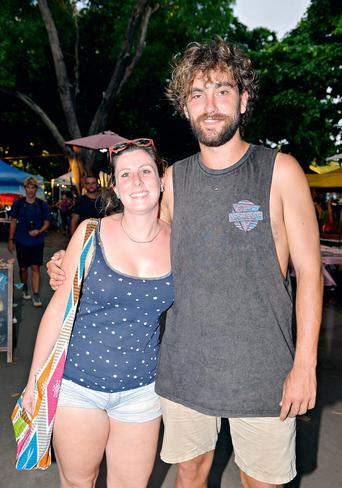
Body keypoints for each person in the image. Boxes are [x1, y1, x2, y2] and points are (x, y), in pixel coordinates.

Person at [48, 39, 323, 488]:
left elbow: (310, 274)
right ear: (185, 107)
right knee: (189, 476)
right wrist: (71, 257)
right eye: (197, 94)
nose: (210, 105)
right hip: (184, 370)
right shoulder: (173, 179)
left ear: (244, 99)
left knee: (262, 482)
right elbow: (133, 233)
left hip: (263, 370)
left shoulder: (281, 171)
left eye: (222, 90)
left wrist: (305, 365)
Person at [22, 139, 173, 487]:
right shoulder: (91, 233)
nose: (137, 181)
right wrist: (34, 383)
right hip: (79, 387)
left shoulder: (180, 244)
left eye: (145, 171)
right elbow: (58, 307)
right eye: (126, 174)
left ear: (161, 181)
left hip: (142, 392)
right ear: (115, 187)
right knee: (78, 483)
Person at [8, 176, 50, 307]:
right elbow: (13, 222)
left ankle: (36, 295)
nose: (30, 190)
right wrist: (10, 239)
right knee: (23, 268)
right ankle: (25, 286)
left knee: (36, 267)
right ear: (24, 188)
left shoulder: (42, 204)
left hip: (37, 241)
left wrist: (39, 231)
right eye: (28, 187)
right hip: (21, 241)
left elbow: (47, 222)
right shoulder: (18, 203)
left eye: (33, 187)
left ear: (36, 189)